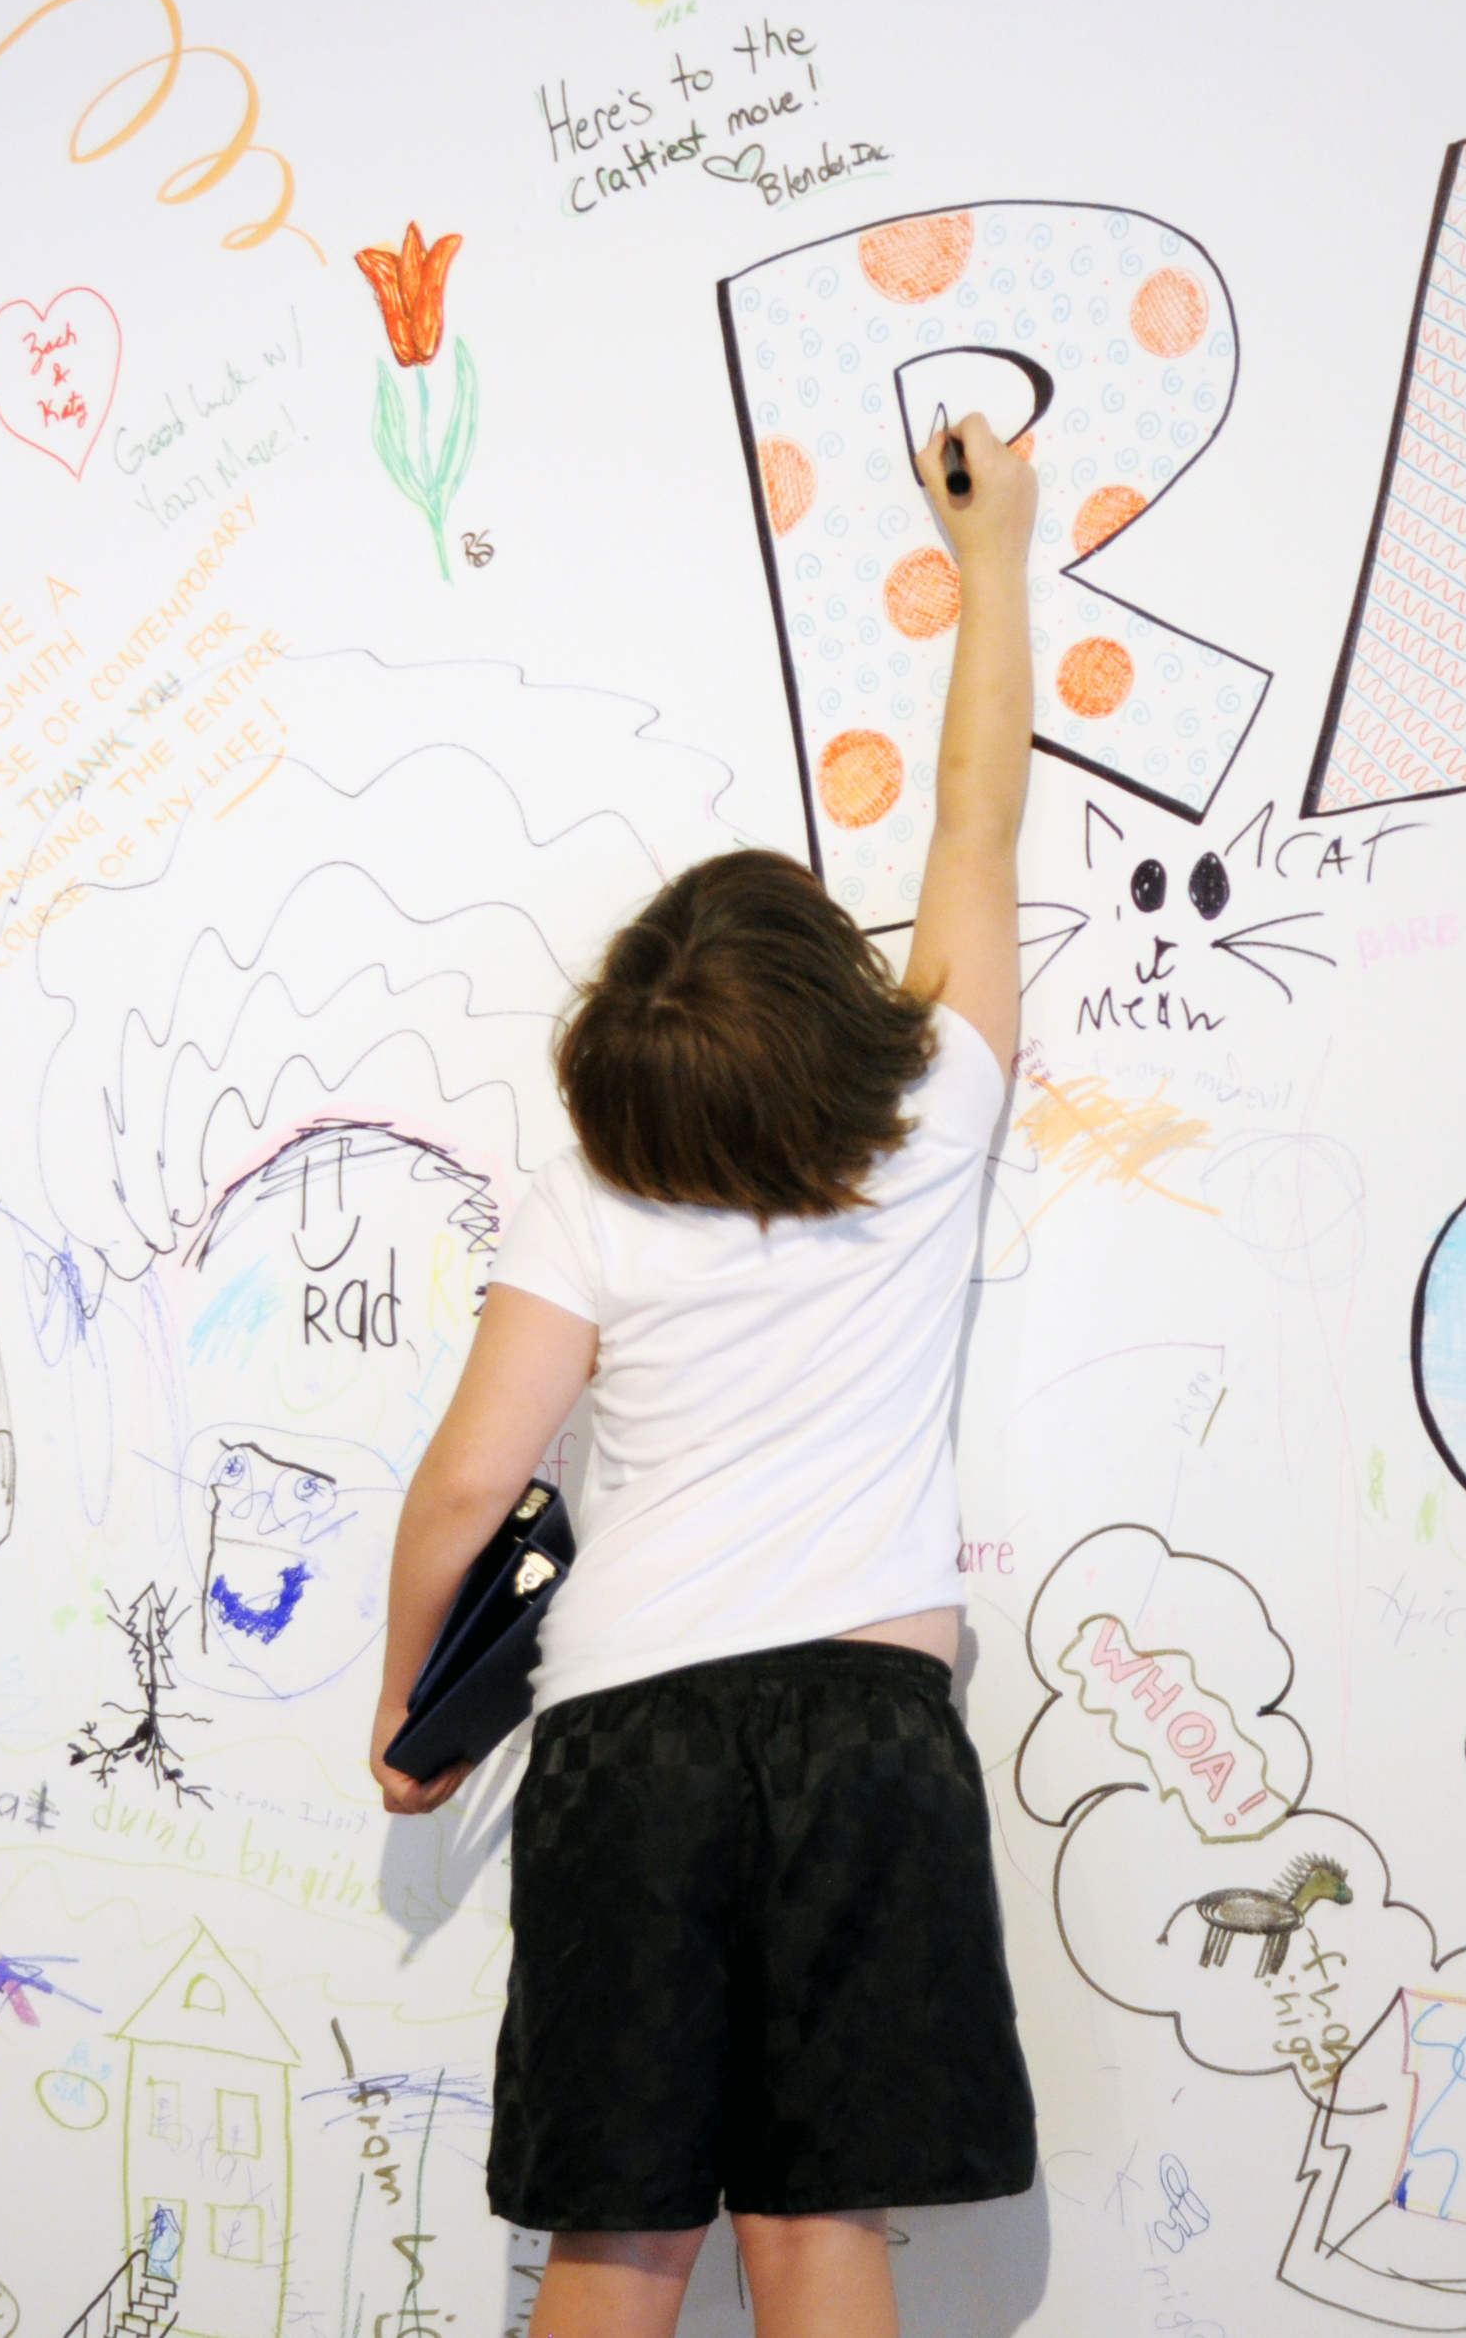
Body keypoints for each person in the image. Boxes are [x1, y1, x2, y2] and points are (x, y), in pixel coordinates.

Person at [366, 414, 1043, 2338]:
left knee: (616, 2241)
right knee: (823, 2234)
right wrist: (994, 563)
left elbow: (462, 1492)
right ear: (836, 990)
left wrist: (410, 1711)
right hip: (865, 1734)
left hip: (627, 1748)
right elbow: (972, 818)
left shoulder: (588, 1189)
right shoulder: (930, 1115)